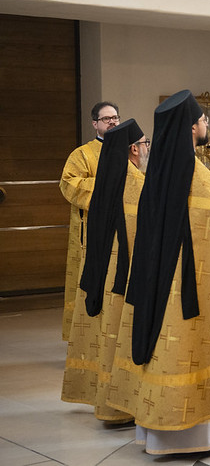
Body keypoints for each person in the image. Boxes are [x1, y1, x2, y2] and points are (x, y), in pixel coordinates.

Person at [107, 90, 210, 455]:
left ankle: (160, 435)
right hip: (197, 292)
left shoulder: (152, 178)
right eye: (203, 119)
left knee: (164, 351)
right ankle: (203, 436)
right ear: (192, 128)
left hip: (155, 292)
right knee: (202, 352)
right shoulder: (205, 183)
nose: (206, 124)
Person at [61, 119, 145, 423]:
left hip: (100, 276)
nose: (145, 149)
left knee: (104, 337)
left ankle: (104, 403)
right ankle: (120, 406)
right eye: (144, 144)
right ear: (134, 149)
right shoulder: (135, 182)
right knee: (120, 339)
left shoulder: (105, 182)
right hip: (126, 278)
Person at [59, 101, 121, 340]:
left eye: (115, 117)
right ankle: (86, 338)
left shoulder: (129, 149)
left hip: (122, 225)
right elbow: (69, 183)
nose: (113, 121)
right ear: (95, 123)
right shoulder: (82, 154)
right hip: (93, 228)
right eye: (107, 119)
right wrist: (107, 187)